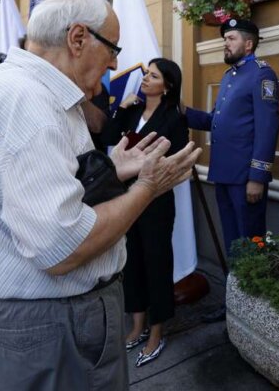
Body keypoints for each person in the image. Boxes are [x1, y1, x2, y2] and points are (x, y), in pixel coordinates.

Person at [0, 0, 202, 391]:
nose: (115, 61)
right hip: (55, 327)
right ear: (78, 38)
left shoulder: (8, 88)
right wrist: (148, 186)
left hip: (33, 324)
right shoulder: (30, 104)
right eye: (112, 47)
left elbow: (33, 187)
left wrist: (113, 168)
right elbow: (63, 247)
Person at [184, 18, 279, 321]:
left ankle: (255, 310)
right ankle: (236, 305)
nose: (226, 42)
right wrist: (181, 111)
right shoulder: (229, 77)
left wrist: (257, 176)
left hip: (244, 179)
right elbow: (216, 121)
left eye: (231, 38)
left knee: (251, 243)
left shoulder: (262, 76)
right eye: (225, 38)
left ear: (248, 44)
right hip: (224, 174)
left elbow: (268, 128)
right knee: (233, 243)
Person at [102, 58, 188, 368]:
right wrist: (121, 109)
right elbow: (109, 136)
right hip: (126, 196)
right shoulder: (134, 111)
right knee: (131, 261)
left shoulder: (174, 118)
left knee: (156, 262)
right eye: (146, 74)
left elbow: (177, 159)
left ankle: (156, 331)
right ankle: (136, 325)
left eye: (153, 76)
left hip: (156, 200)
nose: (145, 79)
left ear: (167, 86)